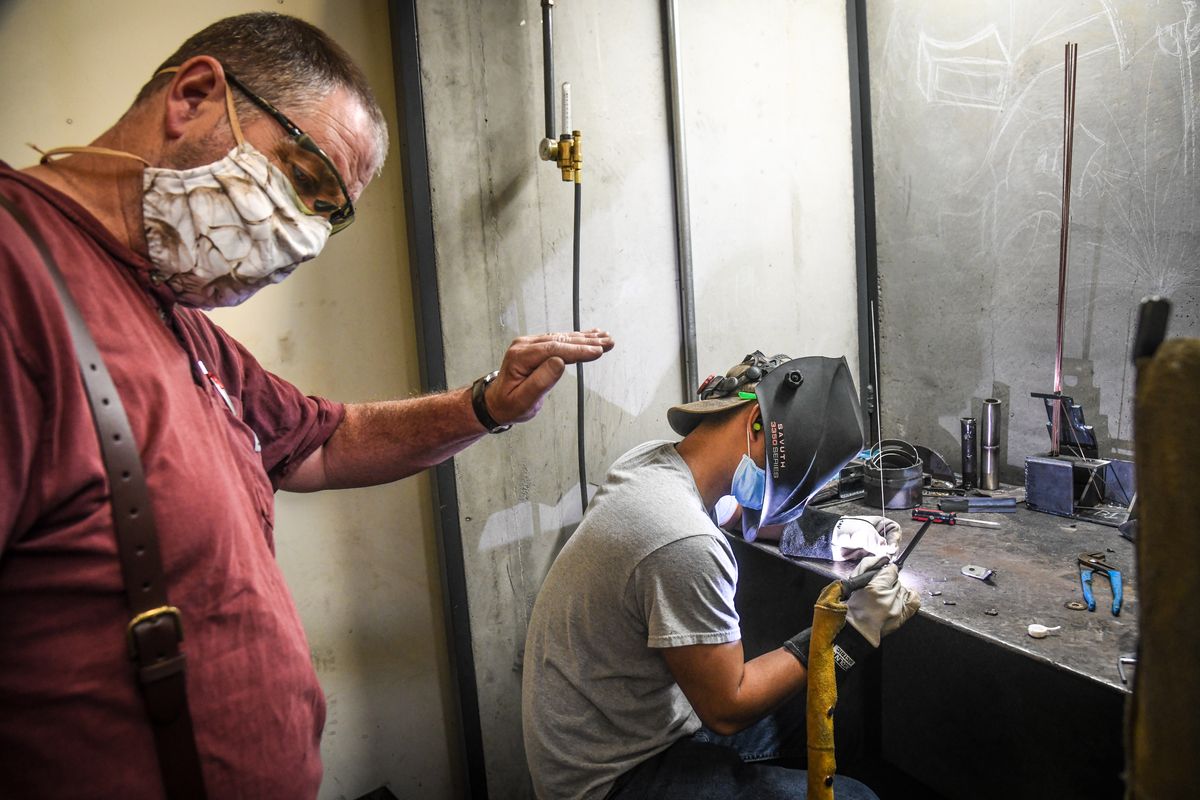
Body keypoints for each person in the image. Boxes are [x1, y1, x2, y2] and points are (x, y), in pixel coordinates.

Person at [0, 12, 612, 799]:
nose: (307, 241)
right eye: (306, 180)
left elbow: (318, 444)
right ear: (193, 96)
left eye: (332, 214)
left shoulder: (168, 316)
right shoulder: (20, 284)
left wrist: (487, 405)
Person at [521, 352, 919, 799]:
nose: (778, 491)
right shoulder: (683, 539)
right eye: (781, 476)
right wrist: (852, 630)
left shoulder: (653, 465)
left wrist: (834, 533)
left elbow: (731, 511)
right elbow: (729, 709)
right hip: (614, 778)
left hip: (625, 726)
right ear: (754, 423)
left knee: (839, 714)